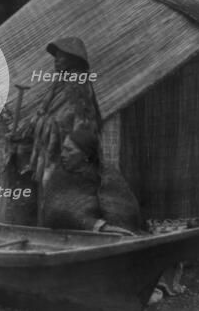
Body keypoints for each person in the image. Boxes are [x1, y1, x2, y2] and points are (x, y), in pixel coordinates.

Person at [19, 37, 102, 223]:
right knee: (46, 189)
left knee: (59, 191)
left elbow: (83, 120)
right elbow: (44, 111)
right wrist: (31, 128)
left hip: (65, 151)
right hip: (49, 148)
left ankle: (59, 229)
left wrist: (72, 147)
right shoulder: (59, 83)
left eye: (62, 57)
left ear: (74, 59)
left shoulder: (79, 85)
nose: (57, 61)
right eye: (56, 57)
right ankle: (46, 228)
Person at [41, 127, 134, 235]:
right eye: (63, 149)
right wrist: (96, 225)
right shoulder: (59, 176)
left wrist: (113, 228)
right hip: (67, 238)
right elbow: (52, 212)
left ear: (86, 155)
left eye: (69, 150)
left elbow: (123, 210)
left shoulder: (106, 175)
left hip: (105, 240)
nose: (62, 154)